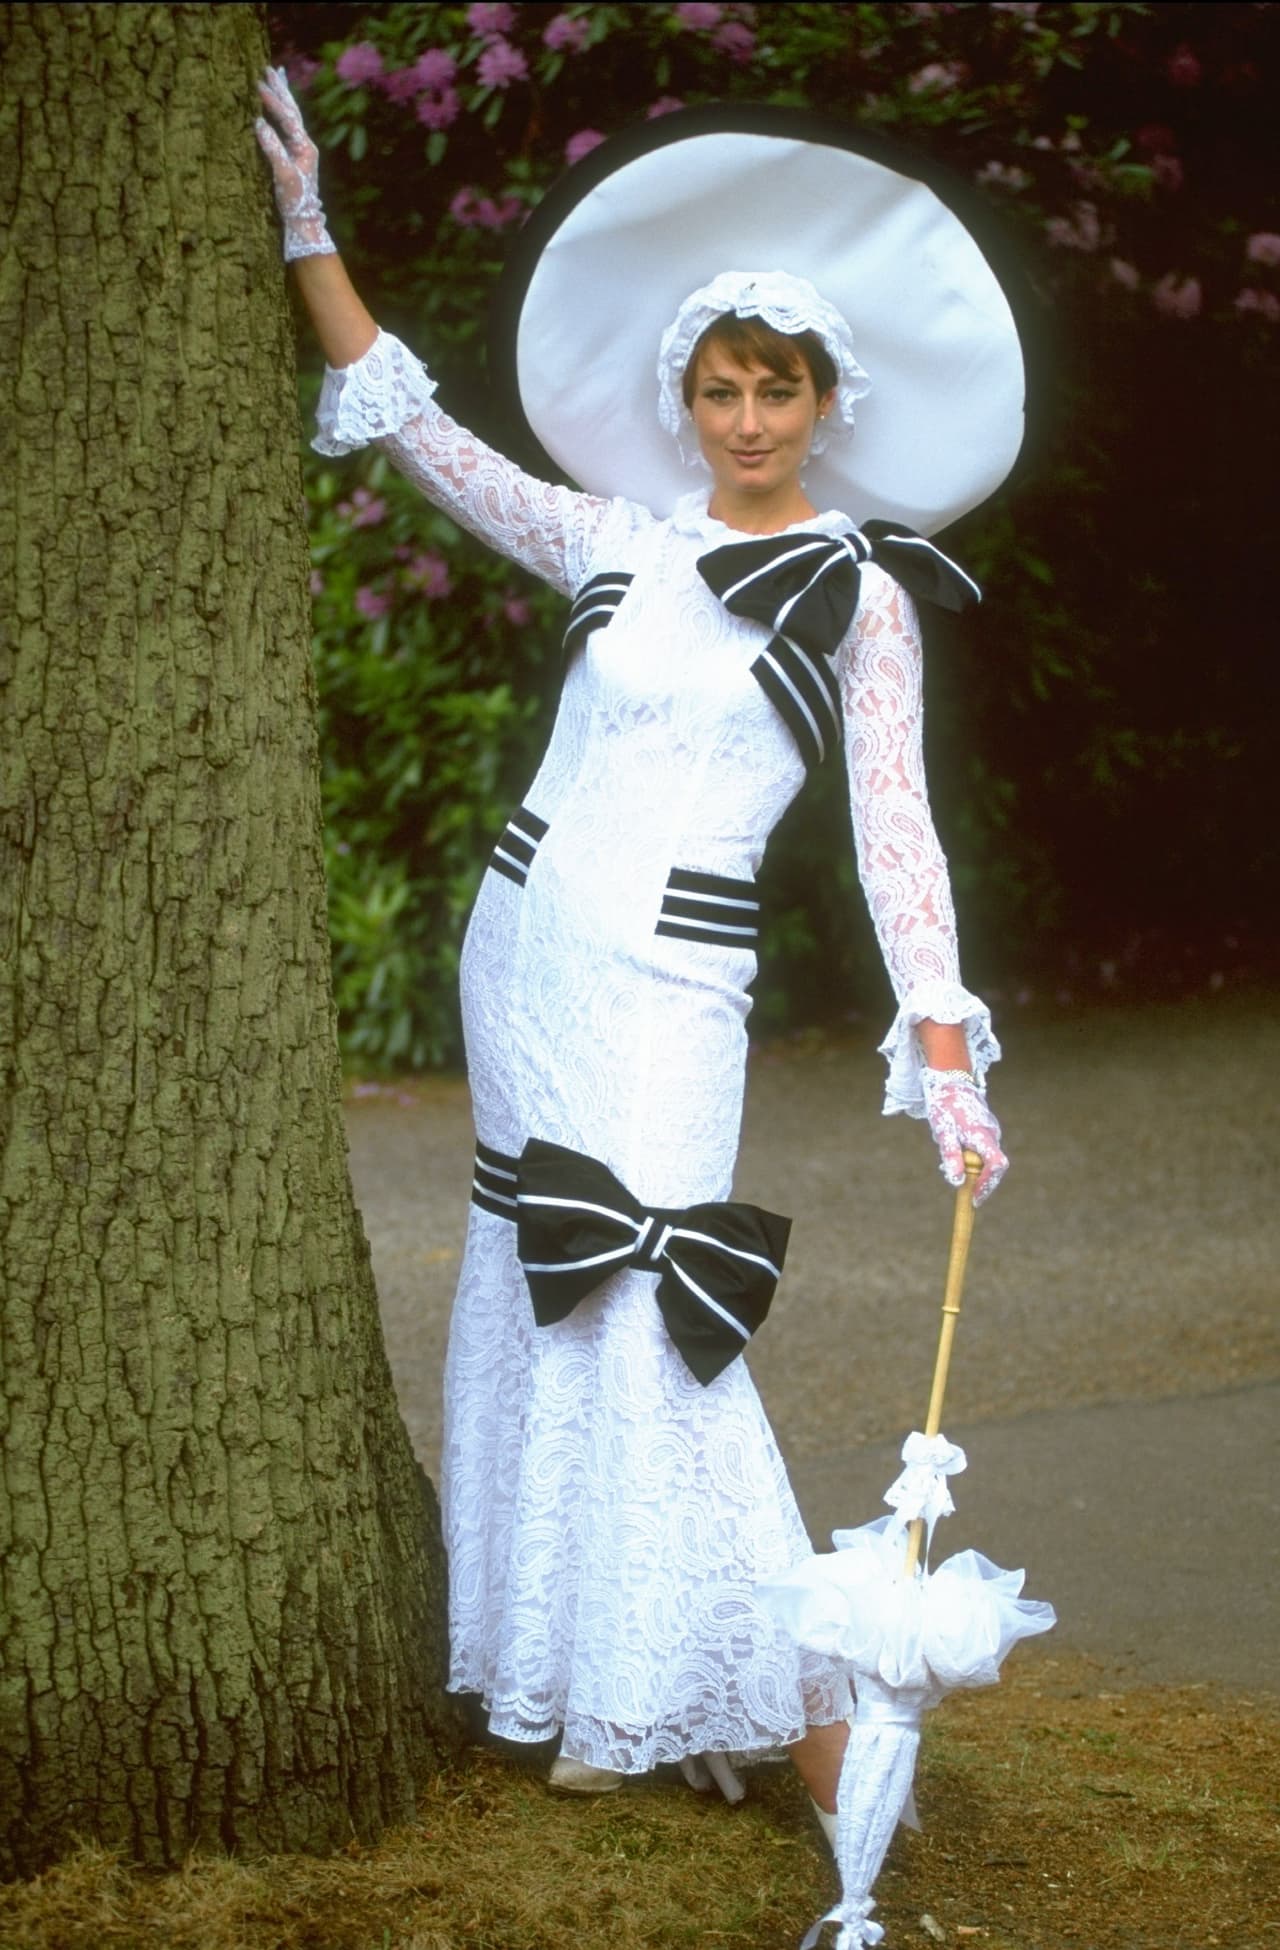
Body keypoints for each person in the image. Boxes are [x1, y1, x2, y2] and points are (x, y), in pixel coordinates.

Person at [255, 69, 1009, 1832]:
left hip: (675, 988)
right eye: (723, 387)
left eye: (781, 388)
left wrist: (949, 1047)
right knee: (539, 1292)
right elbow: (422, 438)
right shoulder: (620, 540)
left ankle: (812, 1728)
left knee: (655, 1304)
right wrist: (312, 237)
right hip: (523, 955)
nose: (750, 418)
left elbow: (895, 828)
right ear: (686, 399)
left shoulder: (860, 587)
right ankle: (578, 1673)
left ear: (831, 401)